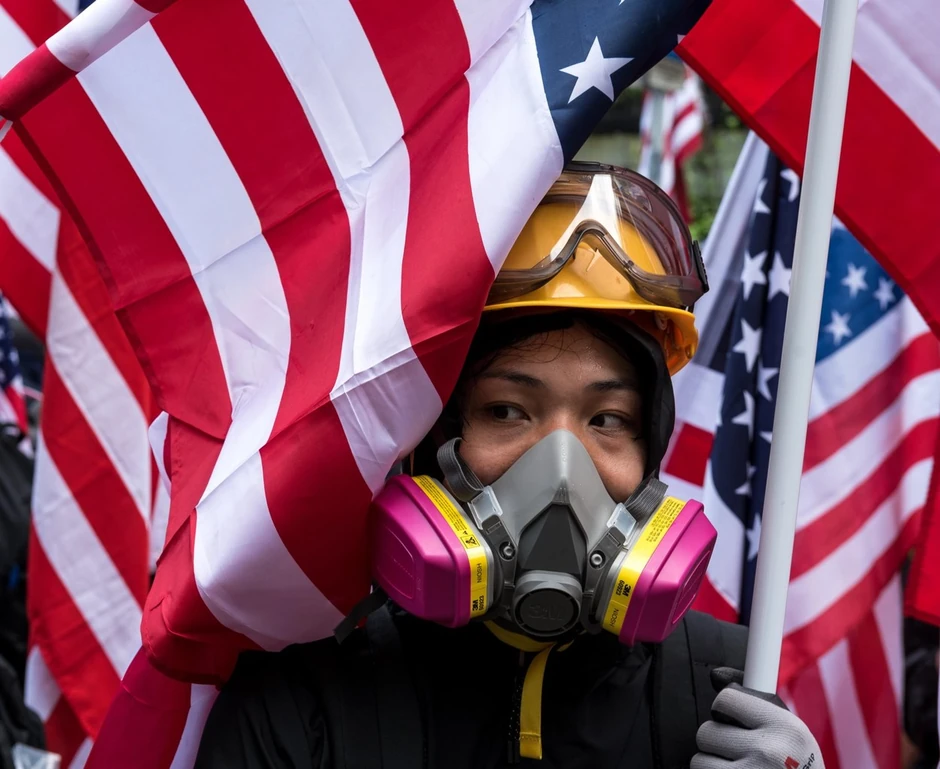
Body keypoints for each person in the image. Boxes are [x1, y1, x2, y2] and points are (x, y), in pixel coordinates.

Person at [195, 163, 824, 769]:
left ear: (650, 449)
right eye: (506, 411)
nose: (560, 468)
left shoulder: (728, 698)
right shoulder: (304, 695)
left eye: (607, 420)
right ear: (432, 438)